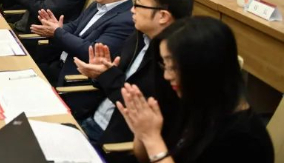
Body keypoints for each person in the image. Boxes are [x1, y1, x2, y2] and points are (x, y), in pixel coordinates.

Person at [116, 17, 274, 163]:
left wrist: (152, 138)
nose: (166, 76)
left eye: (174, 67)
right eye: (165, 65)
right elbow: (144, 158)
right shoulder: (192, 104)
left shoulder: (245, 140)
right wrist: (142, 132)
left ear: (204, 68)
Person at [71, 0, 192, 147]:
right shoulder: (138, 37)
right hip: (91, 118)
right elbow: (115, 85)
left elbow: (136, 107)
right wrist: (99, 74)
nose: (132, 10)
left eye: (138, 5)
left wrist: (107, 76)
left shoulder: (173, 63)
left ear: (163, 16)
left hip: (112, 142)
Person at [31, 0, 137, 86]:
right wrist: (55, 27)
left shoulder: (126, 21)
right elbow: (75, 26)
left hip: (73, 79)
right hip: (58, 64)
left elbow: (91, 51)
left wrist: (57, 32)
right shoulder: (98, 4)